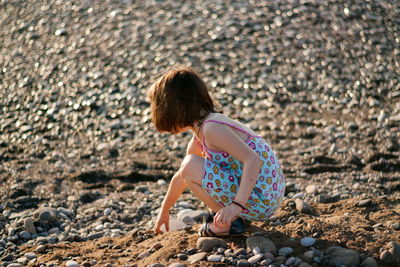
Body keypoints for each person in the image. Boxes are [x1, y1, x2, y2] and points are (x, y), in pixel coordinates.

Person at [148, 66, 285, 237]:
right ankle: (233, 217)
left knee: (190, 164)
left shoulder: (212, 128)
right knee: (189, 165)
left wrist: (237, 206)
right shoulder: (204, 130)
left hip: (262, 198)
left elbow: (253, 160)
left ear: (177, 106)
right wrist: (164, 210)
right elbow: (181, 176)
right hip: (262, 194)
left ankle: (230, 223)